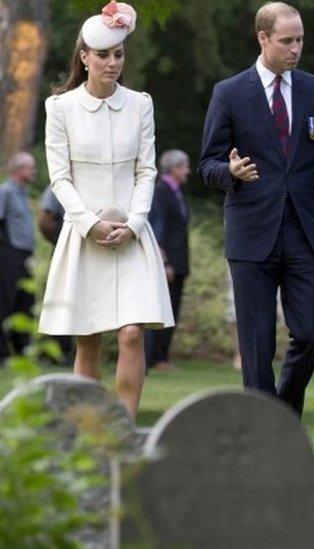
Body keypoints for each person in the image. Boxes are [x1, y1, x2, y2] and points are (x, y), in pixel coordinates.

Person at [199, 1, 314, 417]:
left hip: (304, 229)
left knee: (311, 330)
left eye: (300, 39)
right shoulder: (230, 93)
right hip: (251, 232)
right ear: (263, 38)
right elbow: (207, 164)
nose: (296, 48)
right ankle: (266, 432)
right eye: (287, 40)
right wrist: (230, 171)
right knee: (257, 346)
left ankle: (282, 412)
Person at [39, 1, 174, 418]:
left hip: (131, 235)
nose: (112, 63)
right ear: (84, 57)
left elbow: (147, 170)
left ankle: (125, 428)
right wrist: (90, 223)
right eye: (103, 55)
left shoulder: (140, 104)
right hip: (85, 234)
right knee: (88, 337)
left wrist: (134, 224)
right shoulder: (60, 108)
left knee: (132, 332)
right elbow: (60, 178)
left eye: (118, 54)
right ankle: (90, 434)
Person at [144, 149, 192, 371]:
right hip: (167, 263)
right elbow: (158, 228)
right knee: (162, 311)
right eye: (184, 167)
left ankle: (161, 356)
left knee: (172, 309)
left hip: (178, 262)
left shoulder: (177, 192)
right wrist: (163, 262)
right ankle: (154, 358)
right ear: (173, 168)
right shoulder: (161, 192)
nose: (188, 172)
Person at [0, 152, 37, 366]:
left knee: (25, 300)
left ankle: (23, 351)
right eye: (30, 167)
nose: (34, 171)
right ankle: (3, 353)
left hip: (25, 255)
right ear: (19, 170)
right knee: (7, 301)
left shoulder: (23, 193)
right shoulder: (5, 191)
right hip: (9, 255)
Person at [37, 185, 75, 366]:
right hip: (64, 246)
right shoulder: (56, 187)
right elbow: (44, 220)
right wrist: (57, 241)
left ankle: (64, 351)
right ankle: (52, 353)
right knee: (59, 297)